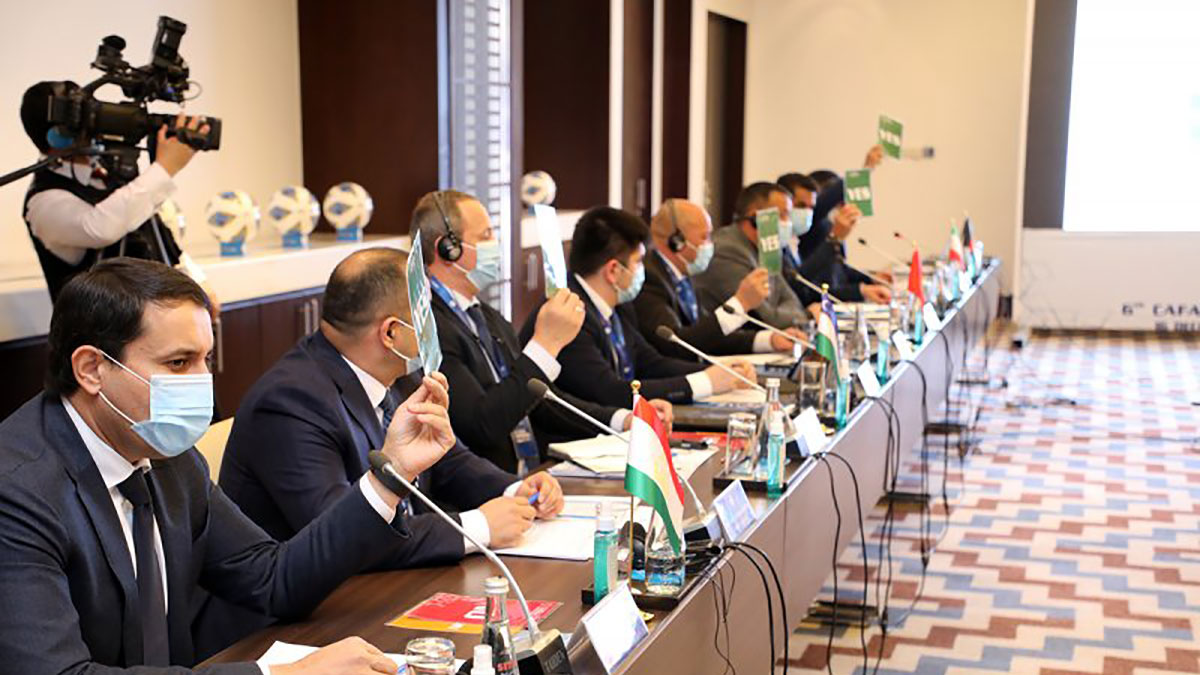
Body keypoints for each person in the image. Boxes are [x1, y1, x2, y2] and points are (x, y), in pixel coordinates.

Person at [0, 258, 455, 672]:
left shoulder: (169, 457)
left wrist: (390, 475)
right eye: (178, 362)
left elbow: (272, 578)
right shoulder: (17, 491)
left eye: (206, 360)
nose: (203, 383)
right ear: (91, 369)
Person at [220, 247, 564, 563]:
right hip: (315, 601)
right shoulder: (290, 403)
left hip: (394, 576)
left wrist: (515, 490)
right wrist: (476, 528)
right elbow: (341, 534)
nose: (435, 327)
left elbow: (447, 461)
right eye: (426, 315)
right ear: (390, 334)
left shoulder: (398, 373)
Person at [410, 190, 673, 474]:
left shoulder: (486, 315)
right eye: (486, 236)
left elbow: (539, 401)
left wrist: (622, 419)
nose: (496, 245)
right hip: (489, 485)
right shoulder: (429, 328)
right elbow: (481, 425)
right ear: (448, 249)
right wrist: (544, 346)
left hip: (531, 474)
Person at [520, 206, 756, 408]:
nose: (643, 270)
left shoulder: (618, 307)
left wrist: (717, 370)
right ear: (613, 270)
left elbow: (651, 363)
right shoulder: (567, 316)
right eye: (639, 261)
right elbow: (610, 392)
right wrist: (705, 382)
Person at [20, 81, 219, 312]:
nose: (94, 119)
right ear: (57, 136)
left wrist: (196, 280)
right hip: (100, 327)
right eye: (81, 114)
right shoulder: (42, 201)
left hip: (154, 318)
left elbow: (152, 228)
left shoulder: (108, 170)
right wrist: (166, 167)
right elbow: (100, 228)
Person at [635, 198, 805, 358]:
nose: (711, 245)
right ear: (677, 242)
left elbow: (706, 336)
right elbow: (676, 345)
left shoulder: (683, 275)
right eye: (705, 237)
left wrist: (769, 340)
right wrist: (741, 303)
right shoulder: (650, 278)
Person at [692, 182, 811, 329]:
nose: (788, 223)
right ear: (756, 218)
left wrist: (797, 314)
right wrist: (805, 316)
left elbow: (792, 301)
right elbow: (765, 319)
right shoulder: (727, 251)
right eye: (782, 215)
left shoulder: (767, 251)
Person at [792, 174, 892, 305]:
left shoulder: (829, 227)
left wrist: (870, 278)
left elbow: (840, 269)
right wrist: (866, 170)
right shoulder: (815, 230)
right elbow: (804, 288)